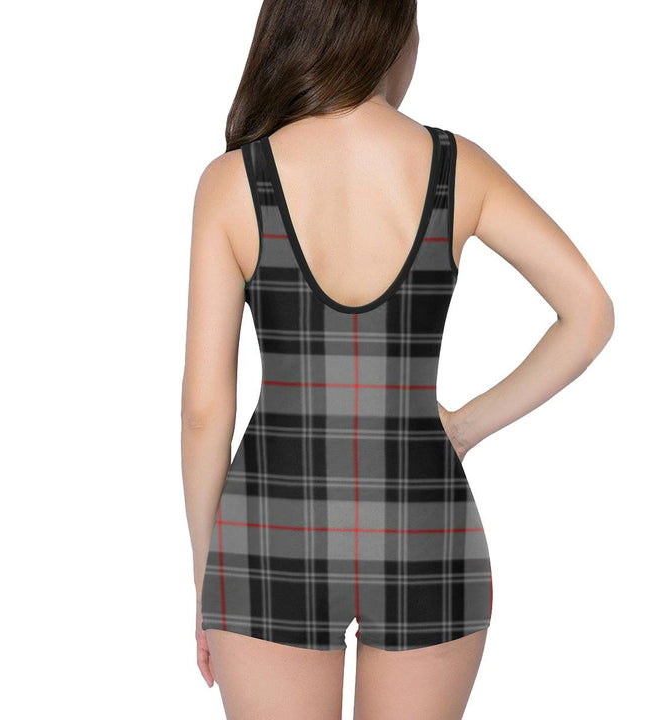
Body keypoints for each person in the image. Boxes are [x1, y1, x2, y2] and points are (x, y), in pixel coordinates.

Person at [180, 2, 615, 718]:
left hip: (269, 531)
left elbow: (205, 414)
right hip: (424, 528)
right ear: (389, 32)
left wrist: (208, 577)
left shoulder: (234, 181)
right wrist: (464, 426)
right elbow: (589, 313)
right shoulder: (455, 168)